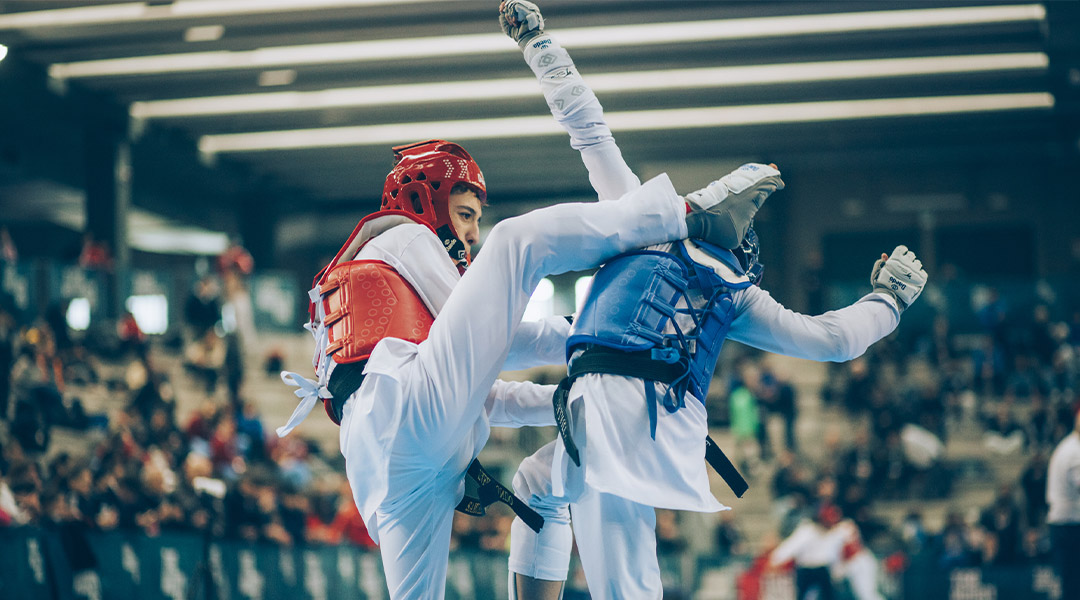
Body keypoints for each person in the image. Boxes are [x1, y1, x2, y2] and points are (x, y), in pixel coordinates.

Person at [498, 2, 928, 598]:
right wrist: (889, 300)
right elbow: (832, 340)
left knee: (539, 485)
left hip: (599, 402)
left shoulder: (645, 221)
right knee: (621, 574)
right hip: (640, 421)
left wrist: (539, 46)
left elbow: (589, 131)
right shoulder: (738, 293)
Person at [275, 139, 771, 595]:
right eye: (465, 214)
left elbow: (487, 391)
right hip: (406, 415)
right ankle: (687, 215)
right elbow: (501, 339)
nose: (471, 233)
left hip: (387, 463)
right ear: (425, 201)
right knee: (515, 242)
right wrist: (604, 334)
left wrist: (567, 399)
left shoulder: (396, 311)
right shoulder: (407, 238)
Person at [1046, 408, 1080, 600]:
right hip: (1070, 525)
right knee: (1073, 584)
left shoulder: (1069, 445)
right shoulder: (1075, 452)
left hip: (1064, 523)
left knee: (1072, 582)